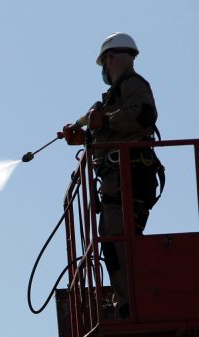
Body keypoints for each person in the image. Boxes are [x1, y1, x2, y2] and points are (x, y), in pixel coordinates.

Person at [66, 32, 164, 319]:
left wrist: (104, 119)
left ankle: (131, 304)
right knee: (112, 238)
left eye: (104, 65)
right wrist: (84, 137)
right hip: (118, 179)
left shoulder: (134, 85)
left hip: (129, 175)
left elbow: (144, 116)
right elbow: (114, 132)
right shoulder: (116, 94)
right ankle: (127, 300)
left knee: (118, 239)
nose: (104, 72)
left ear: (109, 59)